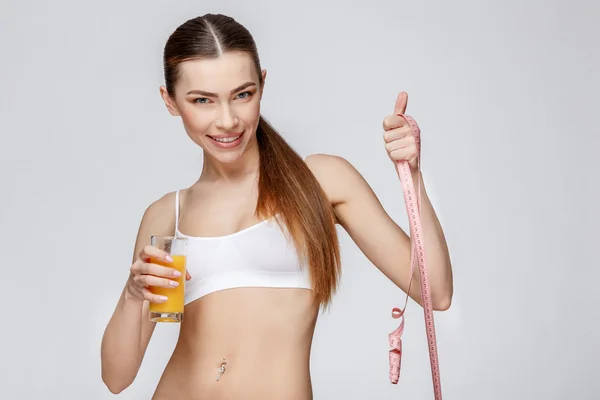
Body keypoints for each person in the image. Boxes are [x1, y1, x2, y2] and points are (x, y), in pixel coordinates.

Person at [100, 13, 453, 400]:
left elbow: (435, 291)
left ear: (262, 85)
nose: (227, 120)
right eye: (202, 100)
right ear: (170, 102)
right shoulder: (168, 215)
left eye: (242, 94)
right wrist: (134, 295)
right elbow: (117, 377)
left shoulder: (319, 181)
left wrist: (413, 174)